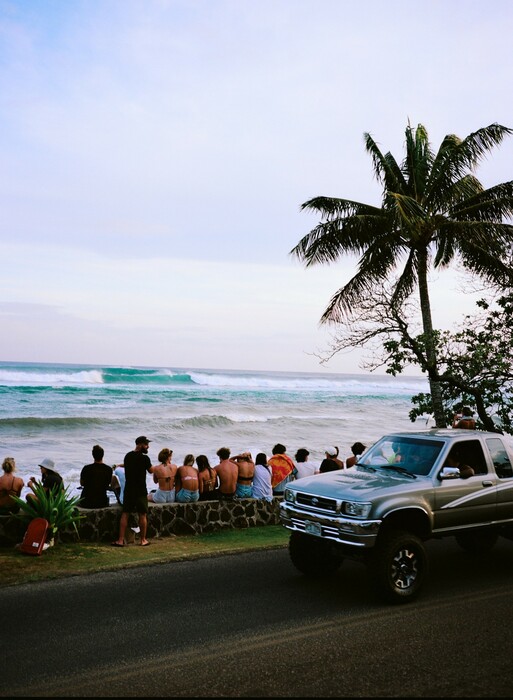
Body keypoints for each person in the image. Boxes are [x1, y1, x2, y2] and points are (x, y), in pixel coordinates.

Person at [112, 436, 156, 547]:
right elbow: (151, 471)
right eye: (146, 444)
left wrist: (118, 465)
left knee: (125, 514)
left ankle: (121, 540)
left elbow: (126, 465)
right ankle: (143, 540)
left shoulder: (128, 456)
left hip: (129, 490)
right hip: (140, 490)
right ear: (140, 444)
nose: (148, 447)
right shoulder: (145, 458)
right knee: (142, 514)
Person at [79, 444, 114, 508]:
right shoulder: (108, 469)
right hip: (102, 502)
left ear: (93, 455)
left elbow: (82, 483)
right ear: (103, 455)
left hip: (86, 502)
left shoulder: (86, 468)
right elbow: (108, 483)